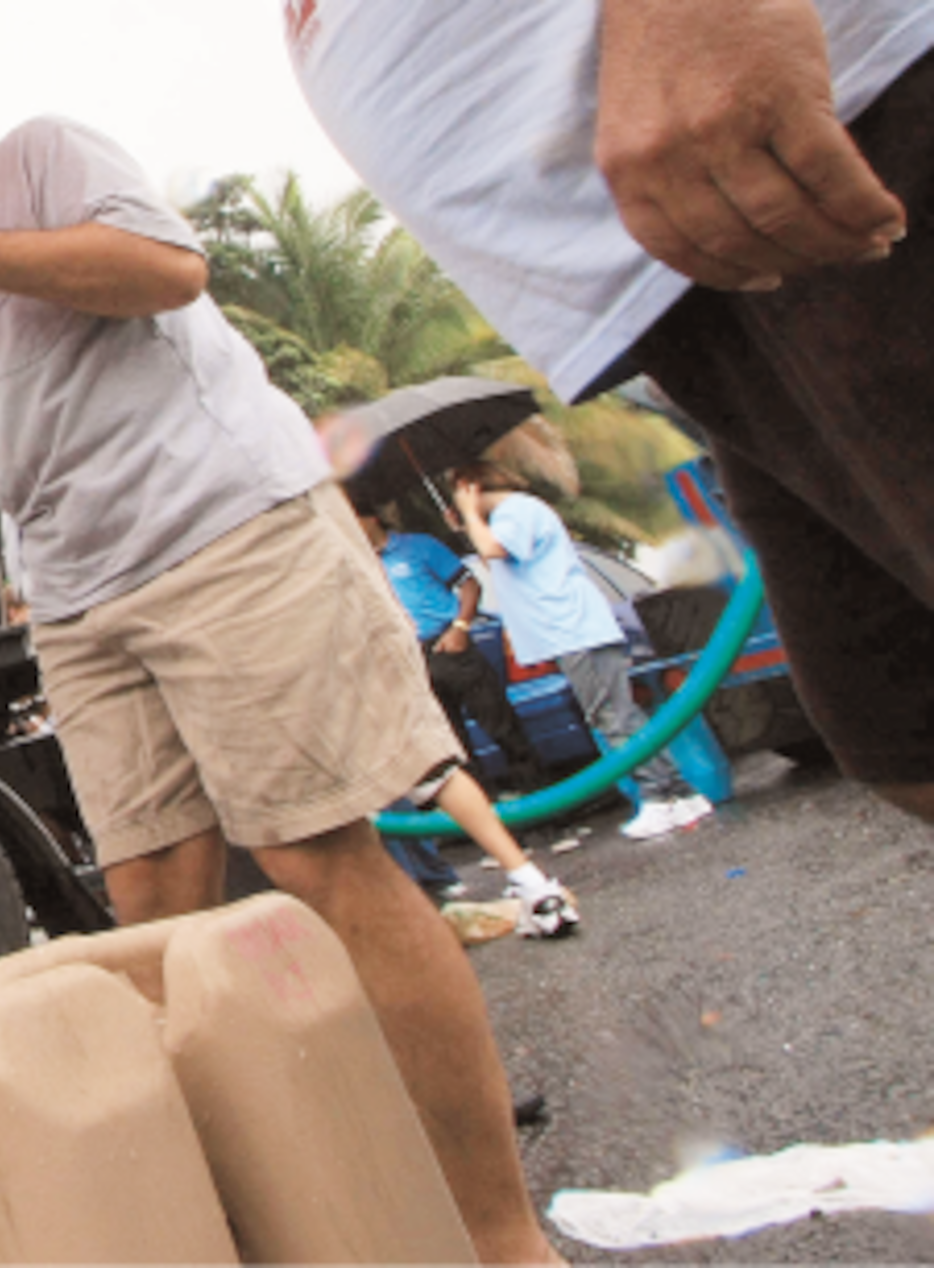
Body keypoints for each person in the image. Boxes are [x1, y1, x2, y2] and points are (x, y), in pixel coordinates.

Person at [0, 86, 567, 1267]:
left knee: (318, 859)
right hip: (81, 605)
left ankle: (500, 1236)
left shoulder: (38, 159)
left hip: (226, 530)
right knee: (151, 928)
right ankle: (267, 1230)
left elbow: (165, 269)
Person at [285, 0, 934, 825]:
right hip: (688, 268)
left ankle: (665, 800)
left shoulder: (505, 511)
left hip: (797, 143)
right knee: (899, 730)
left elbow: (479, 562)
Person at [451, 462, 715, 840]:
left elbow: (493, 550)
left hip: (574, 631)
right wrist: (468, 523)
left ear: (470, 487)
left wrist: (468, 513)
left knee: (611, 717)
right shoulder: (521, 511)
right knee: (619, 714)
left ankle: (661, 796)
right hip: (571, 630)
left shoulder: (516, 511)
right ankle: (677, 792)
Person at [356, 502, 550, 796]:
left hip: (449, 648)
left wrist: (460, 627)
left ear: (371, 518)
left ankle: (539, 804)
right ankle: (490, 816)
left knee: (501, 726)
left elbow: (469, 584)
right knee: (451, 746)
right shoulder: (359, 566)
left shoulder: (418, 546)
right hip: (410, 659)